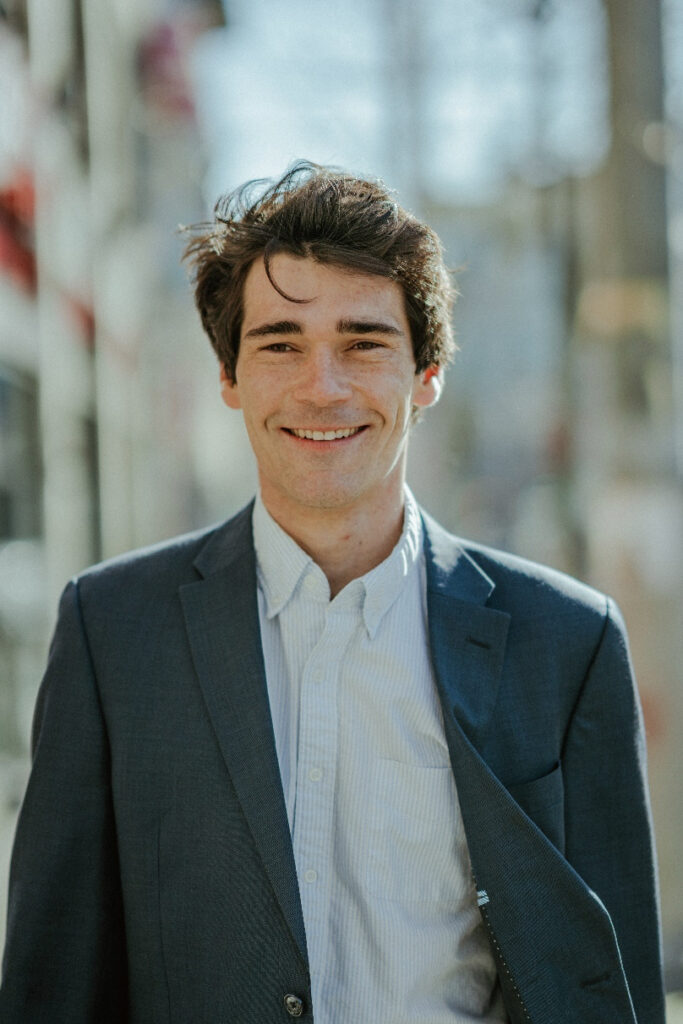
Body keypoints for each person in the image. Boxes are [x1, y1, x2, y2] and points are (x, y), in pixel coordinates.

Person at [0, 161, 665, 1024]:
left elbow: (614, 987)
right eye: (279, 343)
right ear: (230, 378)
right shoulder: (113, 631)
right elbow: (50, 983)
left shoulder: (566, 642)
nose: (323, 385)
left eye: (364, 342)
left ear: (425, 376)